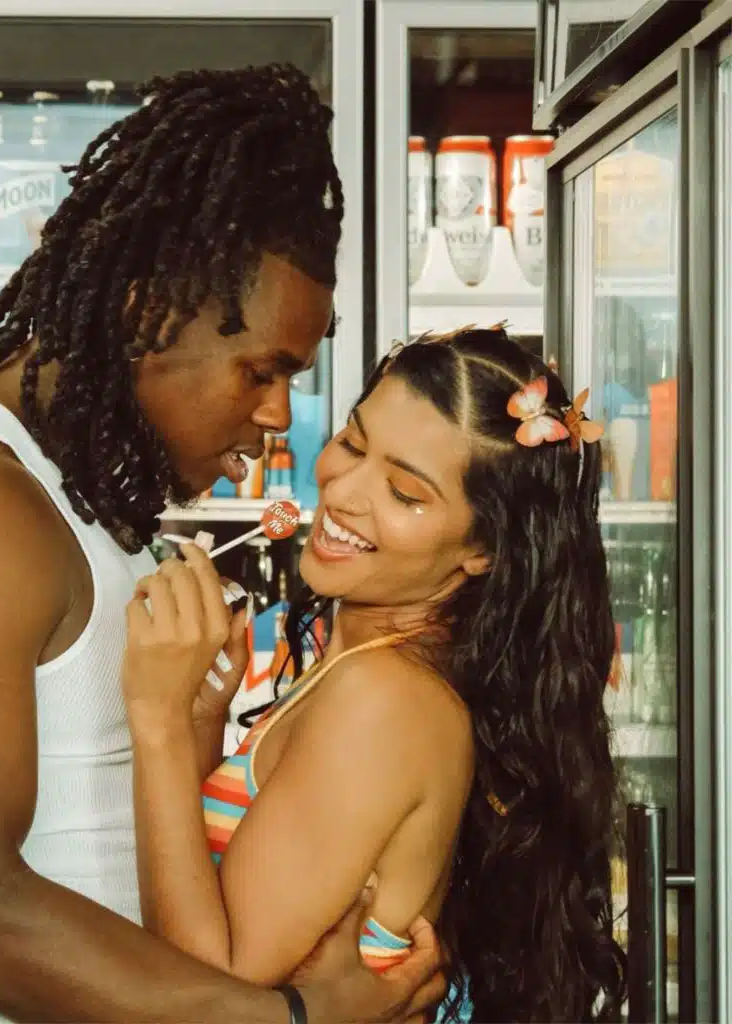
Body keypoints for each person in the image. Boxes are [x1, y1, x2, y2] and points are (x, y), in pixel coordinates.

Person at [0, 64, 446, 1024]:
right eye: (260, 372)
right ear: (146, 314)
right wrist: (293, 1018)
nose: (279, 415)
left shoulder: (82, 499)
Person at [121, 326, 629, 1022]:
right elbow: (218, 886)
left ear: (483, 547)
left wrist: (156, 724)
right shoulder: (359, 670)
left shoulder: (384, 699)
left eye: (403, 492)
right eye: (355, 445)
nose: (344, 493)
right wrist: (200, 715)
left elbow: (207, 996)